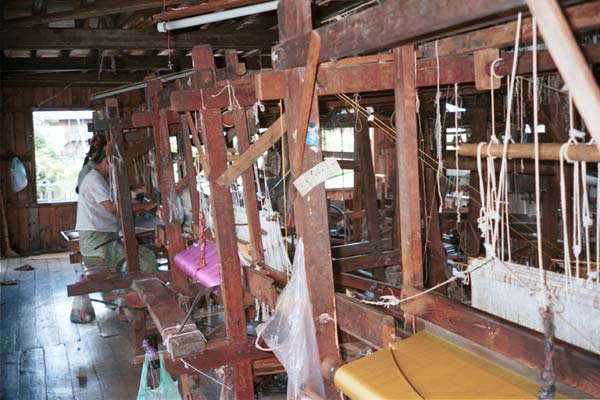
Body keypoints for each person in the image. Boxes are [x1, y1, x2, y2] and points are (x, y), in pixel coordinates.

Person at [75, 142, 157, 274]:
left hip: (103, 236)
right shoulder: (94, 179)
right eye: (114, 163)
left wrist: (139, 205)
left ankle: (139, 289)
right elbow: (112, 209)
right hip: (95, 240)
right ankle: (141, 291)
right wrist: (145, 206)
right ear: (107, 161)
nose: (115, 167)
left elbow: (114, 205)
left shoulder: (100, 178)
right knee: (144, 262)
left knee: (147, 254)